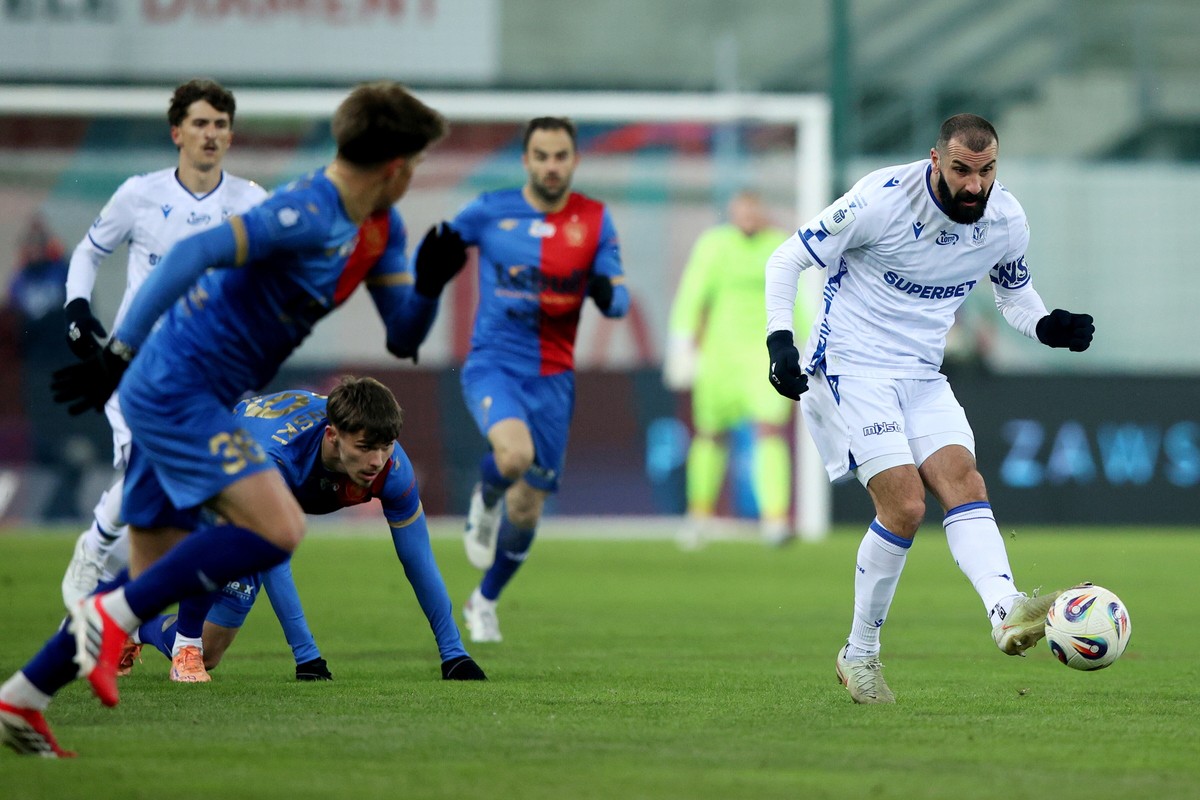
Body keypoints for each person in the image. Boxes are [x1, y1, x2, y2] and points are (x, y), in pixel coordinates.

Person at [0, 80, 473, 758]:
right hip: (175, 383)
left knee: (146, 572)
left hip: (203, 393)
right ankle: (109, 618)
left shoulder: (381, 228)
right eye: (418, 162)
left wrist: (428, 285)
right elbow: (196, 255)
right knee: (276, 526)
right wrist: (120, 352)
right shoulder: (308, 211)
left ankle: (21, 698)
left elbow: (403, 334)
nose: (417, 174)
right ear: (396, 165)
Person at [764, 113, 1094, 704]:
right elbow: (786, 260)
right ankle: (860, 652)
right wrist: (779, 340)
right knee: (907, 503)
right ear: (936, 159)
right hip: (850, 367)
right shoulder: (880, 200)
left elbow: (1013, 294)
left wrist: (1046, 324)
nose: (975, 185)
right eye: (963, 170)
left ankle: (1005, 610)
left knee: (963, 480)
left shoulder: (1004, 218)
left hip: (920, 375)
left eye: (987, 170)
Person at [59, 79, 268, 659]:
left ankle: (119, 616)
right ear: (178, 132)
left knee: (179, 507)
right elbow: (88, 253)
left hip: (207, 373)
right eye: (201, 123)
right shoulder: (139, 194)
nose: (212, 134)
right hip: (135, 367)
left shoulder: (250, 202)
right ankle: (98, 550)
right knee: (149, 481)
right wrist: (78, 308)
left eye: (221, 124)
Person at [414, 116, 628, 644]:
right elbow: (439, 247)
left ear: (573, 161)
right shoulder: (490, 210)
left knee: (529, 505)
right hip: (494, 363)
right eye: (542, 155)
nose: (551, 166)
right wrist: (428, 264)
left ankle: (483, 600)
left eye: (561, 156)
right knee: (513, 456)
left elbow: (618, 298)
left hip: (553, 378)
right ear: (526, 160)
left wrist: (603, 291)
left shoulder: (595, 220)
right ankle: (484, 496)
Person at [123, 378, 476, 685]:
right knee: (188, 594)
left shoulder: (392, 466)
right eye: (365, 448)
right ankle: (160, 628)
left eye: (385, 447)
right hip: (228, 463)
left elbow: (417, 557)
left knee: (211, 650)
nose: (377, 460)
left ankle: (134, 627)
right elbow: (275, 556)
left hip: (266, 469)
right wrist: (307, 656)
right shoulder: (277, 457)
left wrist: (453, 654)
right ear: (333, 437)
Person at [663, 190, 807, 549]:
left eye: (752, 210)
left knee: (769, 431)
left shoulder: (779, 244)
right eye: (740, 211)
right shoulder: (714, 245)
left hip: (763, 355)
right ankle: (699, 516)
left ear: (762, 212)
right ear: (731, 213)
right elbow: (693, 294)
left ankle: (775, 520)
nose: (747, 217)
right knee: (710, 434)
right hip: (719, 357)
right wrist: (681, 344)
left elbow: (799, 299)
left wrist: (806, 344)